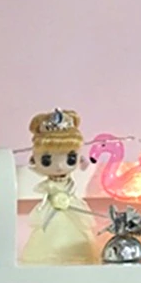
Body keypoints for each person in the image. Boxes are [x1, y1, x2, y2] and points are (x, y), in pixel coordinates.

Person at [21, 108, 98, 265]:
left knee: (79, 235)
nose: (60, 166)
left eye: (70, 158)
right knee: (47, 234)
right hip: (52, 211)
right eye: (47, 160)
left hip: (72, 208)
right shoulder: (48, 186)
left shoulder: (70, 185)